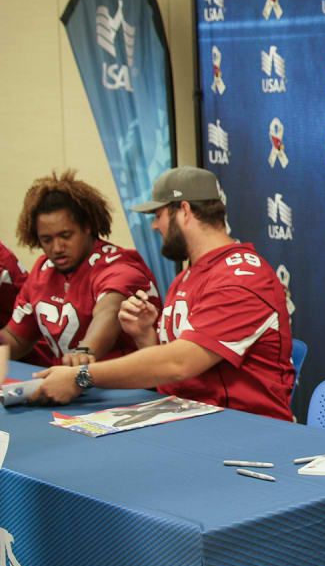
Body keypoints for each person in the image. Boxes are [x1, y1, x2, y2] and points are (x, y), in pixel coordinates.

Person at [32, 166, 295, 421]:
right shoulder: (187, 275)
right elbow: (177, 376)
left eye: (158, 215)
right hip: (188, 419)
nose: (155, 226)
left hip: (243, 429)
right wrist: (145, 334)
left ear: (184, 210)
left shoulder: (243, 277)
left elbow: (180, 363)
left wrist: (82, 376)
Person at [1, 171, 159, 368]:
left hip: (125, 389)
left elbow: (109, 312)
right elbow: (15, 340)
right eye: (47, 240)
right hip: (68, 383)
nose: (57, 248)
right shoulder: (42, 270)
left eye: (66, 236)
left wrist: (84, 353)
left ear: (87, 226)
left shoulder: (120, 266)